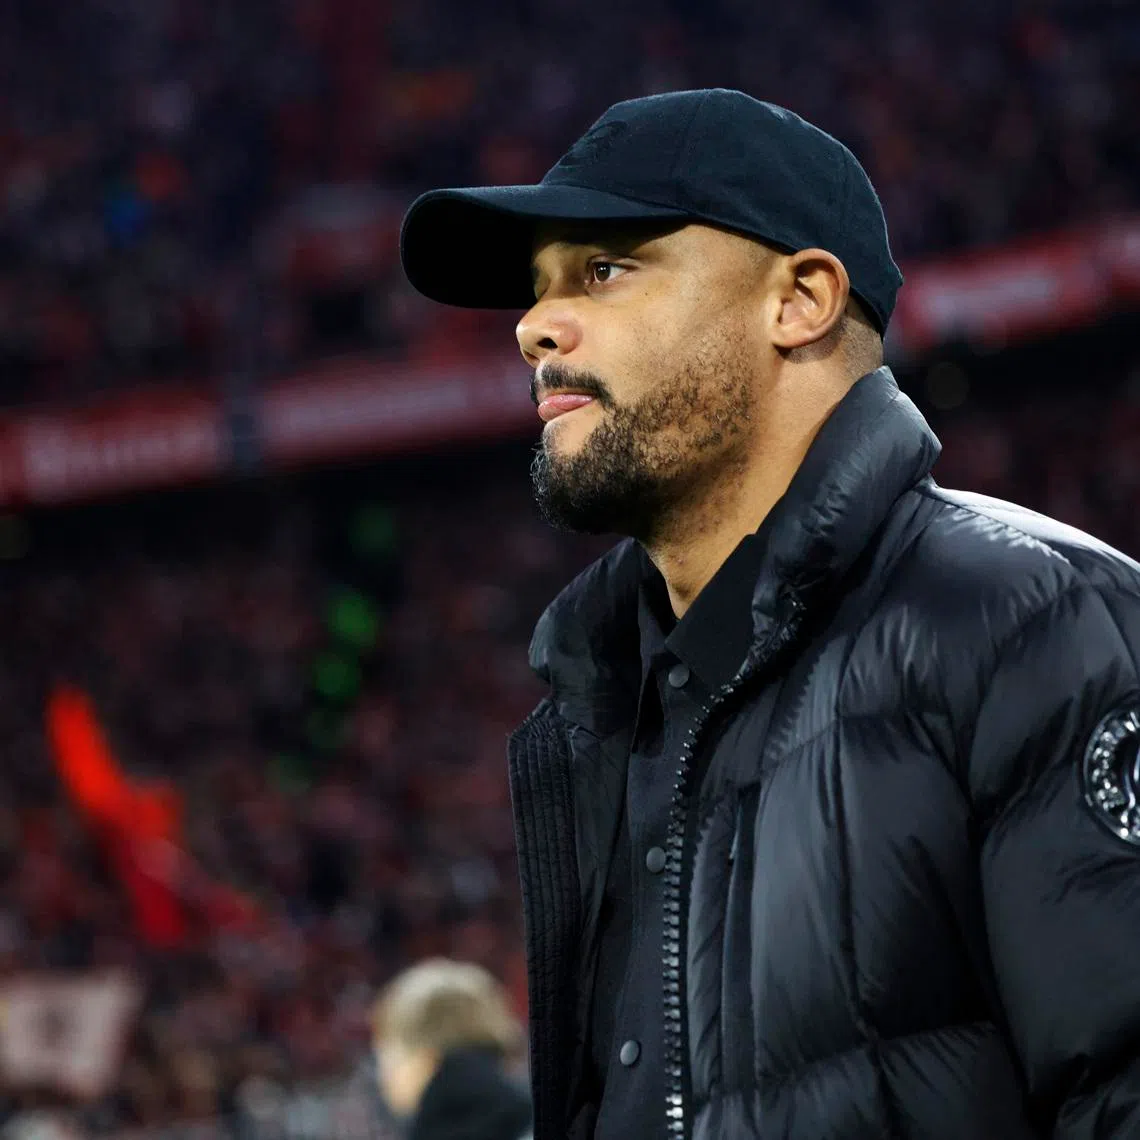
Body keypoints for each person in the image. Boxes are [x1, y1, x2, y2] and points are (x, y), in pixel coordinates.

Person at [399, 88, 1140, 1139]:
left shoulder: (1036, 623)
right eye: (535, 289)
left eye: (603, 269)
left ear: (798, 299)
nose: (531, 327)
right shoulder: (606, 711)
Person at [372, 958, 533, 1140]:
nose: (382, 1070)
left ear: (423, 1054)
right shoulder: (532, 1114)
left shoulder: (441, 1125)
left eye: (386, 1050)